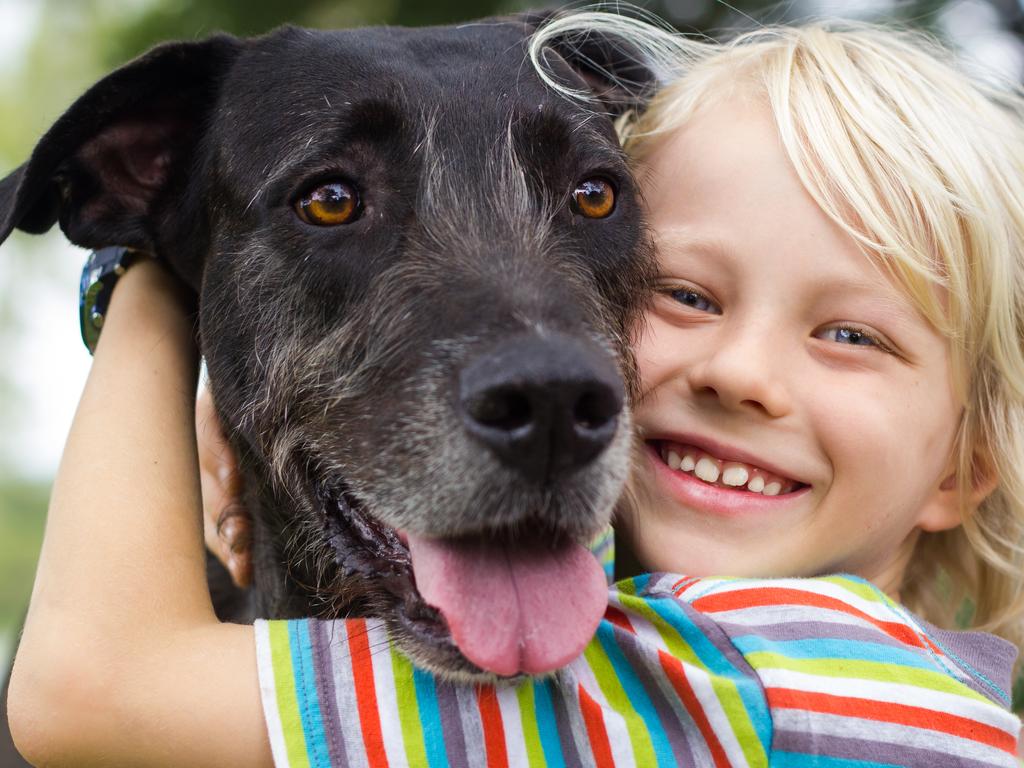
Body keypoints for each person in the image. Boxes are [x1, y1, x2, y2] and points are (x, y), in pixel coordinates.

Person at [7, 13, 1024, 768]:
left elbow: (90, 692)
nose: (739, 374)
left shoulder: (790, 686)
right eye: (688, 295)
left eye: (589, 199)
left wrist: (143, 285)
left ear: (963, 468)